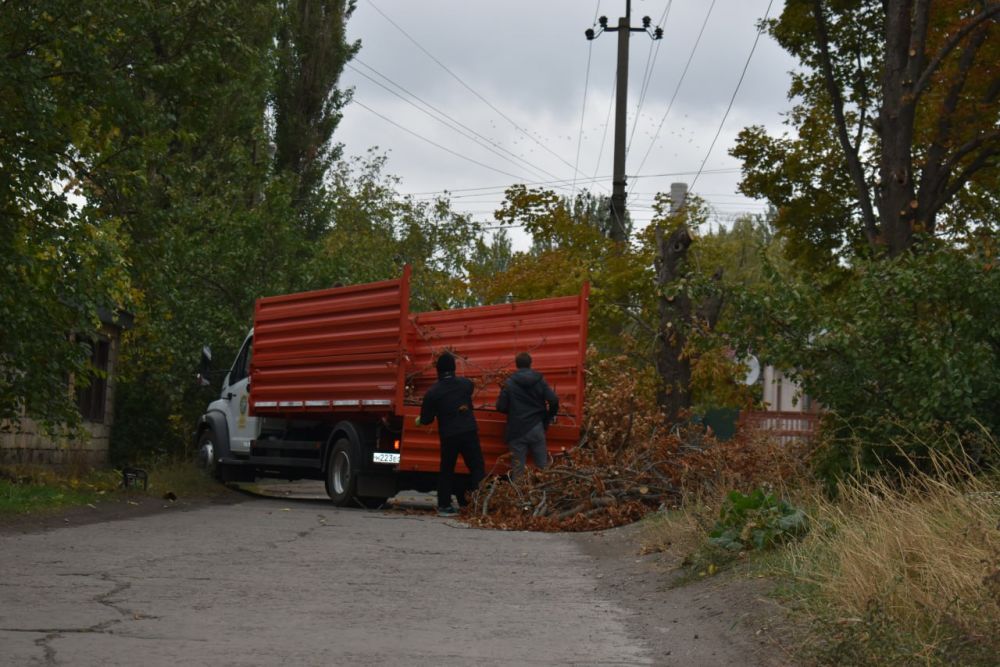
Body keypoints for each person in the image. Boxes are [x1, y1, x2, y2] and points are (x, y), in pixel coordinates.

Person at [416, 352, 485, 517]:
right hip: (468, 431)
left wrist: (421, 419)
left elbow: (426, 419)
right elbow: (469, 387)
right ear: (454, 368)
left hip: (449, 435)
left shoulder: (433, 392)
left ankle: (444, 506)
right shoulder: (465, 384)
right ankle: (478, 503)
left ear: (437, 371)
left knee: (447, 469)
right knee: (477, 467)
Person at [496, 352, 559, 479]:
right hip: (536, 427)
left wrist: (513, 411)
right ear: (530, 364)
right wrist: (548, 417)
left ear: (517, 365)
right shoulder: (539, 380)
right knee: (543, 467)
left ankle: (518, 497)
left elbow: (500, 407)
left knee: (518, 470)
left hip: (516, 430)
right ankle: (546, 495)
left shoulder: (509, 383)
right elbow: (554, 400)